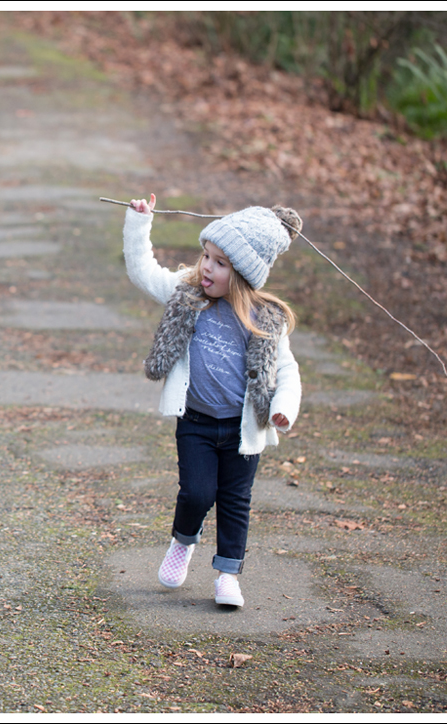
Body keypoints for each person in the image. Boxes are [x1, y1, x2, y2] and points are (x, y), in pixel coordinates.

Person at [123, 193, 302, 608]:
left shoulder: (264, 319)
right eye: (206, 255)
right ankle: (183, 542)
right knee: (197, 495)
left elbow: (288, 371)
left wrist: (283, 409)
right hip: (198, 424)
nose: (206, 267)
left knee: (236, 503)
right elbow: (143, 272)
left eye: (220, 263)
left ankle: (227, 576)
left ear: (241, 274)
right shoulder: (188, 295)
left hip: (242, 431)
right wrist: (139, 222)